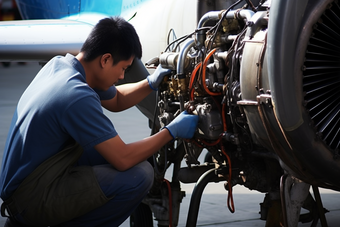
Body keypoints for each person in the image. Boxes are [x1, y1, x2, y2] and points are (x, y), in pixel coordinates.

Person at [0, 16, 198, 227]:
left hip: (32, 179)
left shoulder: (61, 66)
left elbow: (117, 99)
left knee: (130, 158)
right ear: (105, 60)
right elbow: (123, 158)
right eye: (123, 68)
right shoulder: (75, 95)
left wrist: (150, 83)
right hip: (30, 198)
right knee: (139, 176)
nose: (122, 76)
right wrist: (171, 131)